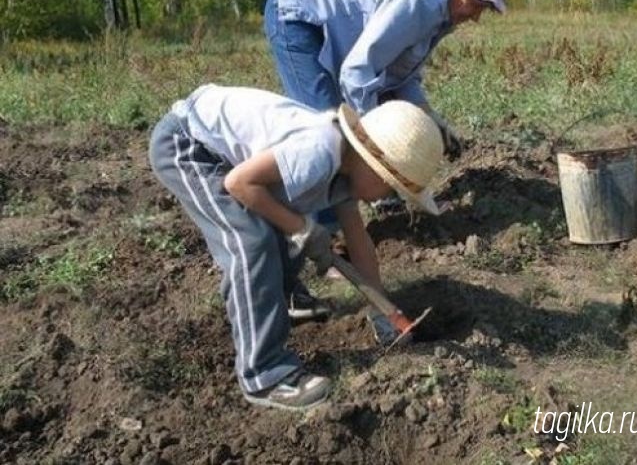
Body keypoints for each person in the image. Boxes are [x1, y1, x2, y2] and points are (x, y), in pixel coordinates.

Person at [148, 84, 444, 410]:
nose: (385, 196)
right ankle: (265, 375)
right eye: (390, 186)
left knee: (284, 226)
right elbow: (238, 184)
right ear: (371, 161)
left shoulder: (347, 172)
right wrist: (301, 228)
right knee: (252, 242)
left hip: (231, 161)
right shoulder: (318, 152)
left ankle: (285, 297)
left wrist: (381, 308)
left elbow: (359, 242)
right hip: (190, 147)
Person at [263, 0, 511, 159]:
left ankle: (366, 196)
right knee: (325, 134)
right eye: (476, 4)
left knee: (343, 140)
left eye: (484, 7)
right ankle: (322, 208)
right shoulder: (419, 1)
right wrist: (378, 145)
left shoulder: (440, 6)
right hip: (298, 14)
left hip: (318, 18)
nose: (477, 16)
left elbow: (398, 75)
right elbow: (357, 74)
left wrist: (431, 120)